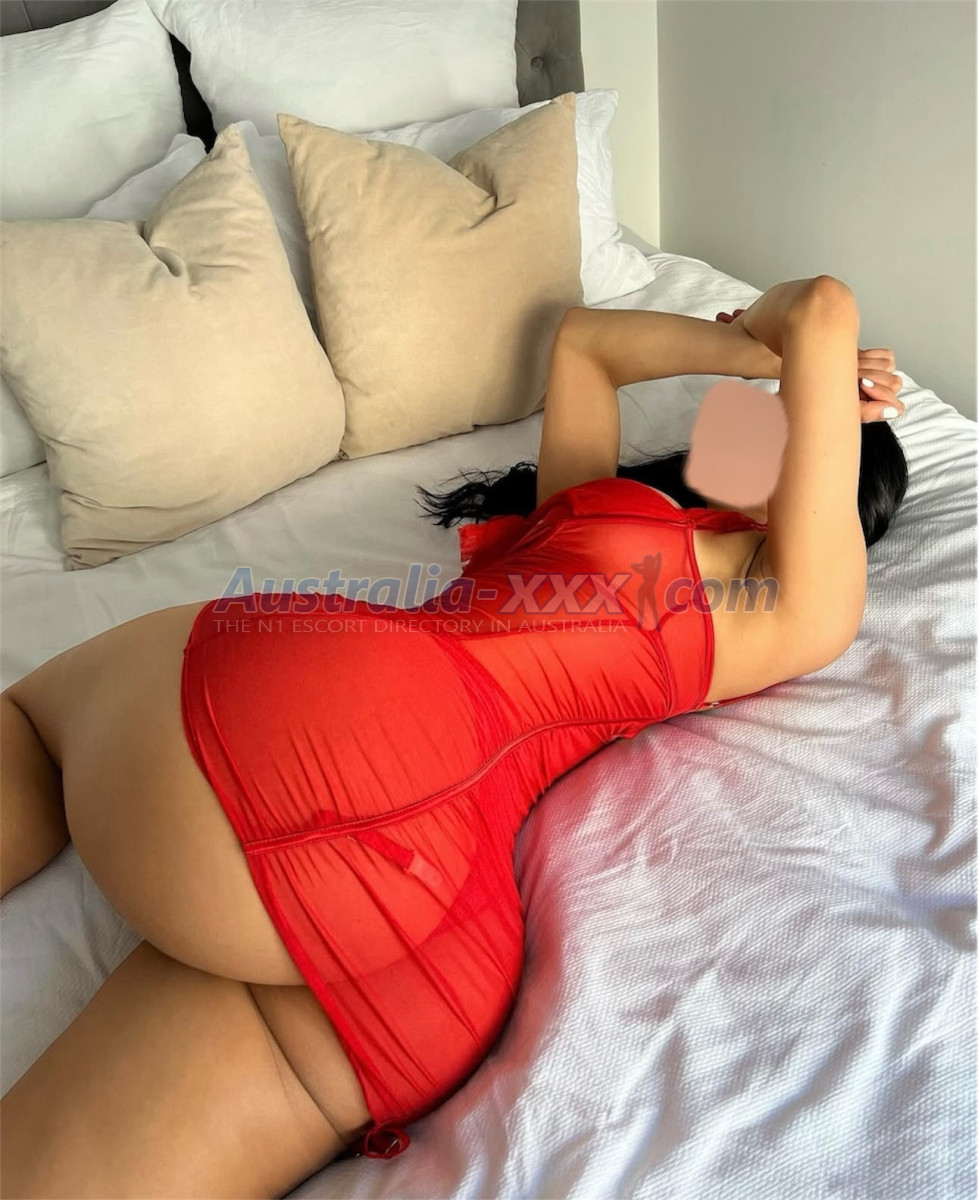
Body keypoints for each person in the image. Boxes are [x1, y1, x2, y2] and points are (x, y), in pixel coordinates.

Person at [0, 275, 908, 1198]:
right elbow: (585, 344)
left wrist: (801, 357)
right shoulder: (592, 514)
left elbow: (823, 307)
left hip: (326, 729)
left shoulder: (795, 612)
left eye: (808, 429)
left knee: (30, 727)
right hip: (423, 928)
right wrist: (760, 356)